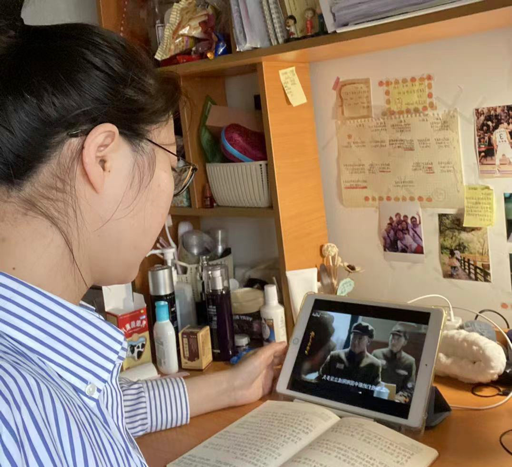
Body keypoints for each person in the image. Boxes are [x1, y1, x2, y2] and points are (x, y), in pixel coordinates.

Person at [0, 3, 286, 465]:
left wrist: (232, 386)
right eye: (172, 167)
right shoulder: (17, 415)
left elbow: (99, 404)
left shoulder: (39, 373)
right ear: (103, 159)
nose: (170, 198)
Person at [319, 322, 381, 387]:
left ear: (368, 341)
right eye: (354, 337)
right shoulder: (335, 356)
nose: (355, 341)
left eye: (360, 338)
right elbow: (321, 378)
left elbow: (374, 389)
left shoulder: (374, 365)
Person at [372, 324, 416, 403]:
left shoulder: (409, 362)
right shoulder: (376, 354)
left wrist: (398, 399)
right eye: (392, 337)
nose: (393, 341)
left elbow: (409, 389)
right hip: (374, 397)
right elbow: (366, 377)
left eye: (398, 338)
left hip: (394, 402)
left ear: (405, 342)